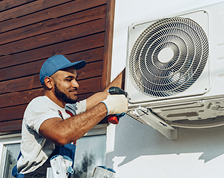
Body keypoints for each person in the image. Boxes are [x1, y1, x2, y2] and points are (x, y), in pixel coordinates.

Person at [13, 54, 128, 177]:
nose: (76, 85)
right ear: (49, 82)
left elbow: (106, 95)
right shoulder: (40, 105)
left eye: (76, 79)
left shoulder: (69, 110)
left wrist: (134, 67)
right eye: (69, 79)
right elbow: (60, 134)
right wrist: (106, 107)